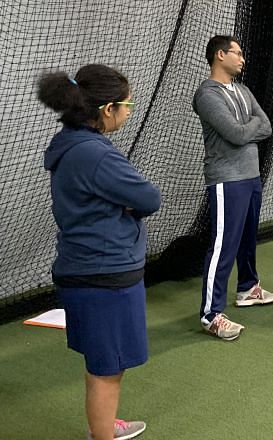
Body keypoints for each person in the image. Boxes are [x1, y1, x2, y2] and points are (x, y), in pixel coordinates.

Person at [38, 64, 160, 440]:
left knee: (103, 364)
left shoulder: (71, 142)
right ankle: (102, 435)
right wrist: (124, 205)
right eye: (127, 105)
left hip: (87, 270)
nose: (128, 112)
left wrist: (120, 205)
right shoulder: (94, 153)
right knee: (108, 369)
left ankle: (103, 426)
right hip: (104, 275)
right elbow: (149, 197)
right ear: (108, 109)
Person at [192, 35, 273, 341]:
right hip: (226, 178)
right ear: (220, 55)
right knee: (223, 246)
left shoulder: (242, 90)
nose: (242, 59)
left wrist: (247, 129)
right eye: (237, 54)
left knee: (246, 237)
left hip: (251, 176)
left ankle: (248, 288)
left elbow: (266, 125)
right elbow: (235, 133)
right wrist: (247, 129)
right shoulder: (207, 94)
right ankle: (210, 314)